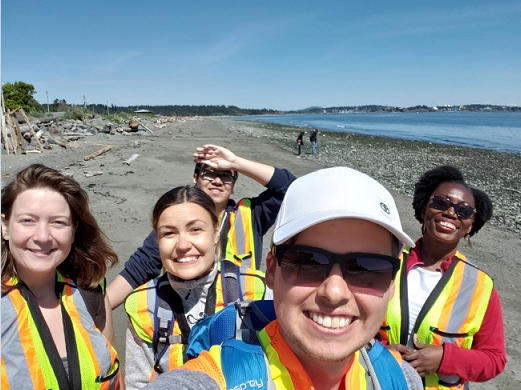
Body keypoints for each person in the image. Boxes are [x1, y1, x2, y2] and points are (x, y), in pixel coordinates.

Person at [142, 167, 424, 390]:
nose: (335, 291)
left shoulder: (402, 379)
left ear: (391, 285)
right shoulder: (221, 376)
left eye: (366, 268)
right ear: (272, 271)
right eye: (308, 261)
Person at [107, 144, 295, 309]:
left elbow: (290, 187)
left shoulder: (252, 215)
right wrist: (98, 306)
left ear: (233, 185)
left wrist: (236, 162)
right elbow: (139, 268)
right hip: (185, 313)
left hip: (240, 315)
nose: (218, 181)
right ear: (195, 178)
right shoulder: (174, 223)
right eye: (209, 173)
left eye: (226, 176)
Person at [124, 185, 270, 389]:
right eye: (169, 233)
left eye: (195, 229)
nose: (183, 245)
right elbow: (137, 383)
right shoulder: (143, 305)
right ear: (157, 240)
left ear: (216, 231)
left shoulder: (257, 290)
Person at [379, 165, 506, 389]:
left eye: (464, 211)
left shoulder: (480, 285)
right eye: (441, 203)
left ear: (470, 226)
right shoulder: (386, 262)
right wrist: (380, 352)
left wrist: (445, 359)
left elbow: (494, 359)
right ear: (423, 207)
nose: (450, 213)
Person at [1, 164, 120, 389]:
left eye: (58, 222)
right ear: (5, 226)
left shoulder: (91, 294)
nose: (43, 236)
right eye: (28, 220)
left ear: (73, 231)